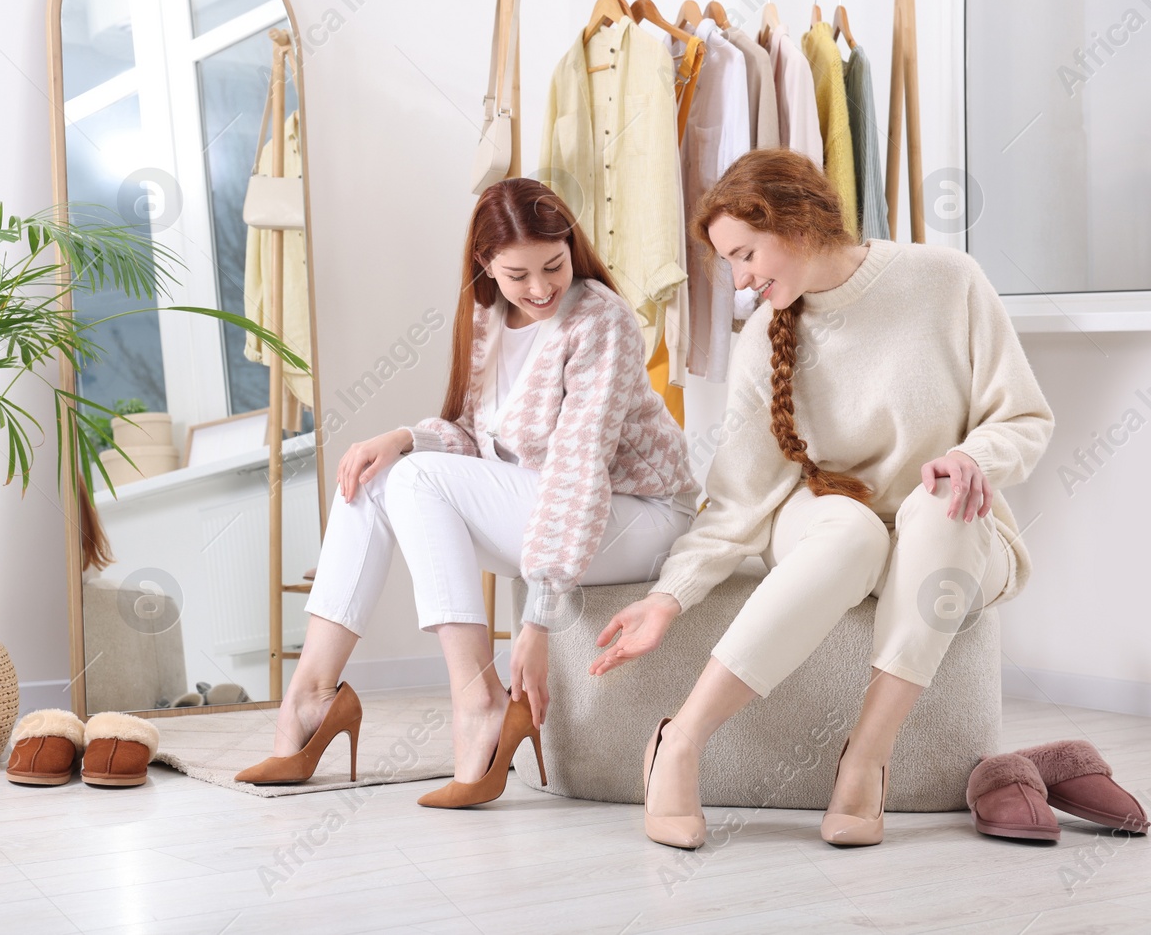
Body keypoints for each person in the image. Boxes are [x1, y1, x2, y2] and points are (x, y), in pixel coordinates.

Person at [591, 148, 1055, 848]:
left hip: (955, 531)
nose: (742, 281)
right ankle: (680, 739)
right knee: (855, 533)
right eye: (732, 265)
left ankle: (866, 755)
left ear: (796, 221)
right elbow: (738, 502)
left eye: (746, 254)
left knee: (939, 504)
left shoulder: (948, 281)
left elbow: (1024, 418)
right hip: (829, 517)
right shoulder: (764, 340)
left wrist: (970, 456)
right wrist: (669, 595)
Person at [234, 177, 701, 806]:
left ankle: (478, 702)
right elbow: (480, 444)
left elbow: (577, 466)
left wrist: (538, 621)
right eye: (517, 274)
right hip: (551, 504)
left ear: (572, 247)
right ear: (485, 264)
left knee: (417, 475)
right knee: (374, 477)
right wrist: (398, 437)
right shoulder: (486, 319)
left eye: (554, 265)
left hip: (638, 516)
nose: (539, 288)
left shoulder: (600, 319)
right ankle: (311, 698)